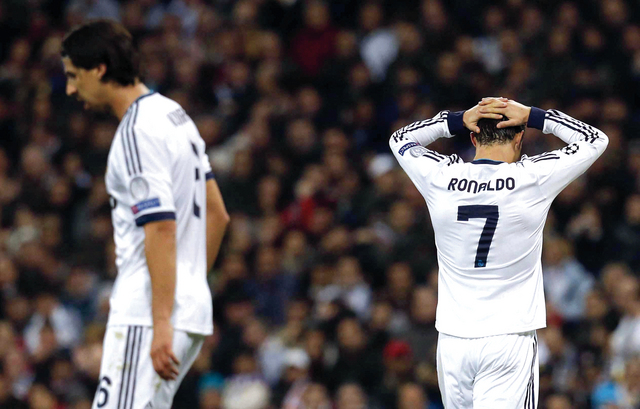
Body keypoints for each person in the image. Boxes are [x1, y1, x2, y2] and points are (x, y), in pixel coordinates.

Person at [389, 97, 609, 408]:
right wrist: (534, 116)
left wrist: (456, 119)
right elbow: (595, 139)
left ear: (473, 137)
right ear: (519, 138)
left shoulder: (441, 177)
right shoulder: (531, 178)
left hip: (453, 340)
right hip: (508, 338)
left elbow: (400, 139)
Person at [61, 20, 230, 408]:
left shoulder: (136, 132)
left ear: (99, 69)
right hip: (185, 305)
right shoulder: (174, 115)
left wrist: (162, 318)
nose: (70, 89)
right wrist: (187, 286)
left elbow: (160, 227)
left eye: (73, 76)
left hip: (146, 311)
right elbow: (217, 214)